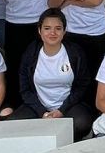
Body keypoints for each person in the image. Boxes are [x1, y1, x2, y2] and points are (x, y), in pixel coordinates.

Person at [8, 8, 95, 141]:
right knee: (15, 123)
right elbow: (25, 89)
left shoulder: (75, 53)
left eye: (58, 28)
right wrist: (42, 112)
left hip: (68, 106)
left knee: (81, 123)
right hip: (38, 106)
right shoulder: (31, 54)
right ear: (39, 30)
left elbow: (83, 86)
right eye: (47, 28)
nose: (52, 33)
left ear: (64, 31)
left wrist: (62, 110)